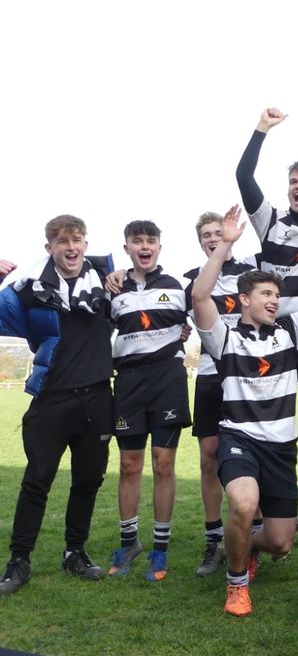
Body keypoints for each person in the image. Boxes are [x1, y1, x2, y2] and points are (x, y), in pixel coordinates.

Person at [192, 203, 298, 617]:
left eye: (277, 295)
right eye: (266, 294)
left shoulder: (290, 332)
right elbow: (200, 295)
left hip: (281, 448)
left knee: (280, 541)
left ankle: (240, 544)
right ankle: (237, 584)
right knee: (243, 504)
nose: (275, 301)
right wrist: (225, 244)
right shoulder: (223, 338)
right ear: (244, 299)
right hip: (240, 440)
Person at [0, 216, 113, 594]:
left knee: (88, 480)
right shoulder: (28, 288)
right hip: (52, 398)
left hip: (97, 397)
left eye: (77, 240)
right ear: (49, 248)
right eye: (63, 241)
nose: (71, 247)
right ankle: (19, 560)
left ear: (85, 244)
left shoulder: (107, 280)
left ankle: (75, 552)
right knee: (37, 480)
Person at [235, 107, 298, 483]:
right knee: (267, 416)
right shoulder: (271, 222)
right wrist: (262, 128)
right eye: (294, 181)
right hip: (272, 335)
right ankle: (265, 492)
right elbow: (243, 176)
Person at [107, 220, 190, 582]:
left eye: (150, 241)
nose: (144, 246)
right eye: (137, 241)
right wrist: (110, 274)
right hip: (128, 381)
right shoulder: (113, 289)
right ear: (127, 247)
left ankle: (160, 549)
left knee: (163, 463)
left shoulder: (177, 288)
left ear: (159, 247)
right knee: (129, 464)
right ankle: (129, 543)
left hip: (167, 378)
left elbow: (201, 317)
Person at [183, 213, 256, 577]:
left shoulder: (251, 271)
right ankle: (214, 541)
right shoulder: (192, 281)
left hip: (248, 378)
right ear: (200, 242)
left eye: (218, 233)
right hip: (212, 377)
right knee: (209, 458)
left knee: (256, 453)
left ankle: (254, 536)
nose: (213, 238)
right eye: (206, 235)